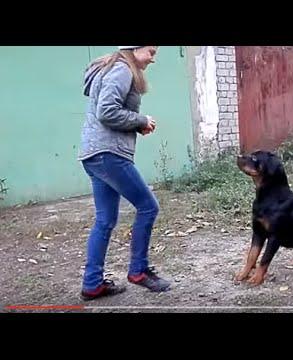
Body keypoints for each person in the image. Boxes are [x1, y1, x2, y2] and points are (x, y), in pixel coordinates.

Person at [79, 46, 171, 301]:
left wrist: (135, 124)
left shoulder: (110, 68)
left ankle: (92, 284)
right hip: (109, 154)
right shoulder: (122, 69)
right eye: (151, 51)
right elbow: (107, 111)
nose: (153, 58)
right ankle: (139, 271)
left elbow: (107, 113)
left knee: (105, 220)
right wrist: (141, 120)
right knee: (148, 207)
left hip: (93, 153)